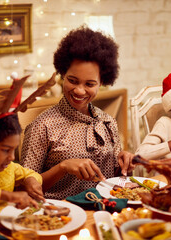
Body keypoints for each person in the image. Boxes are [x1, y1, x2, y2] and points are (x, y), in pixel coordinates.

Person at [21, 26, 135, 200]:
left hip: (104, 209)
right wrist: (63, 167)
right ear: (62, 74)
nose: (80, 91)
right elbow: (25, 188)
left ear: (102, 82)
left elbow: (112, 178)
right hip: (61, 215)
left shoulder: (108, 121)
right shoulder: (42, 126)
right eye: (73, 81)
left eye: (89, 84)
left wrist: (124, 165)